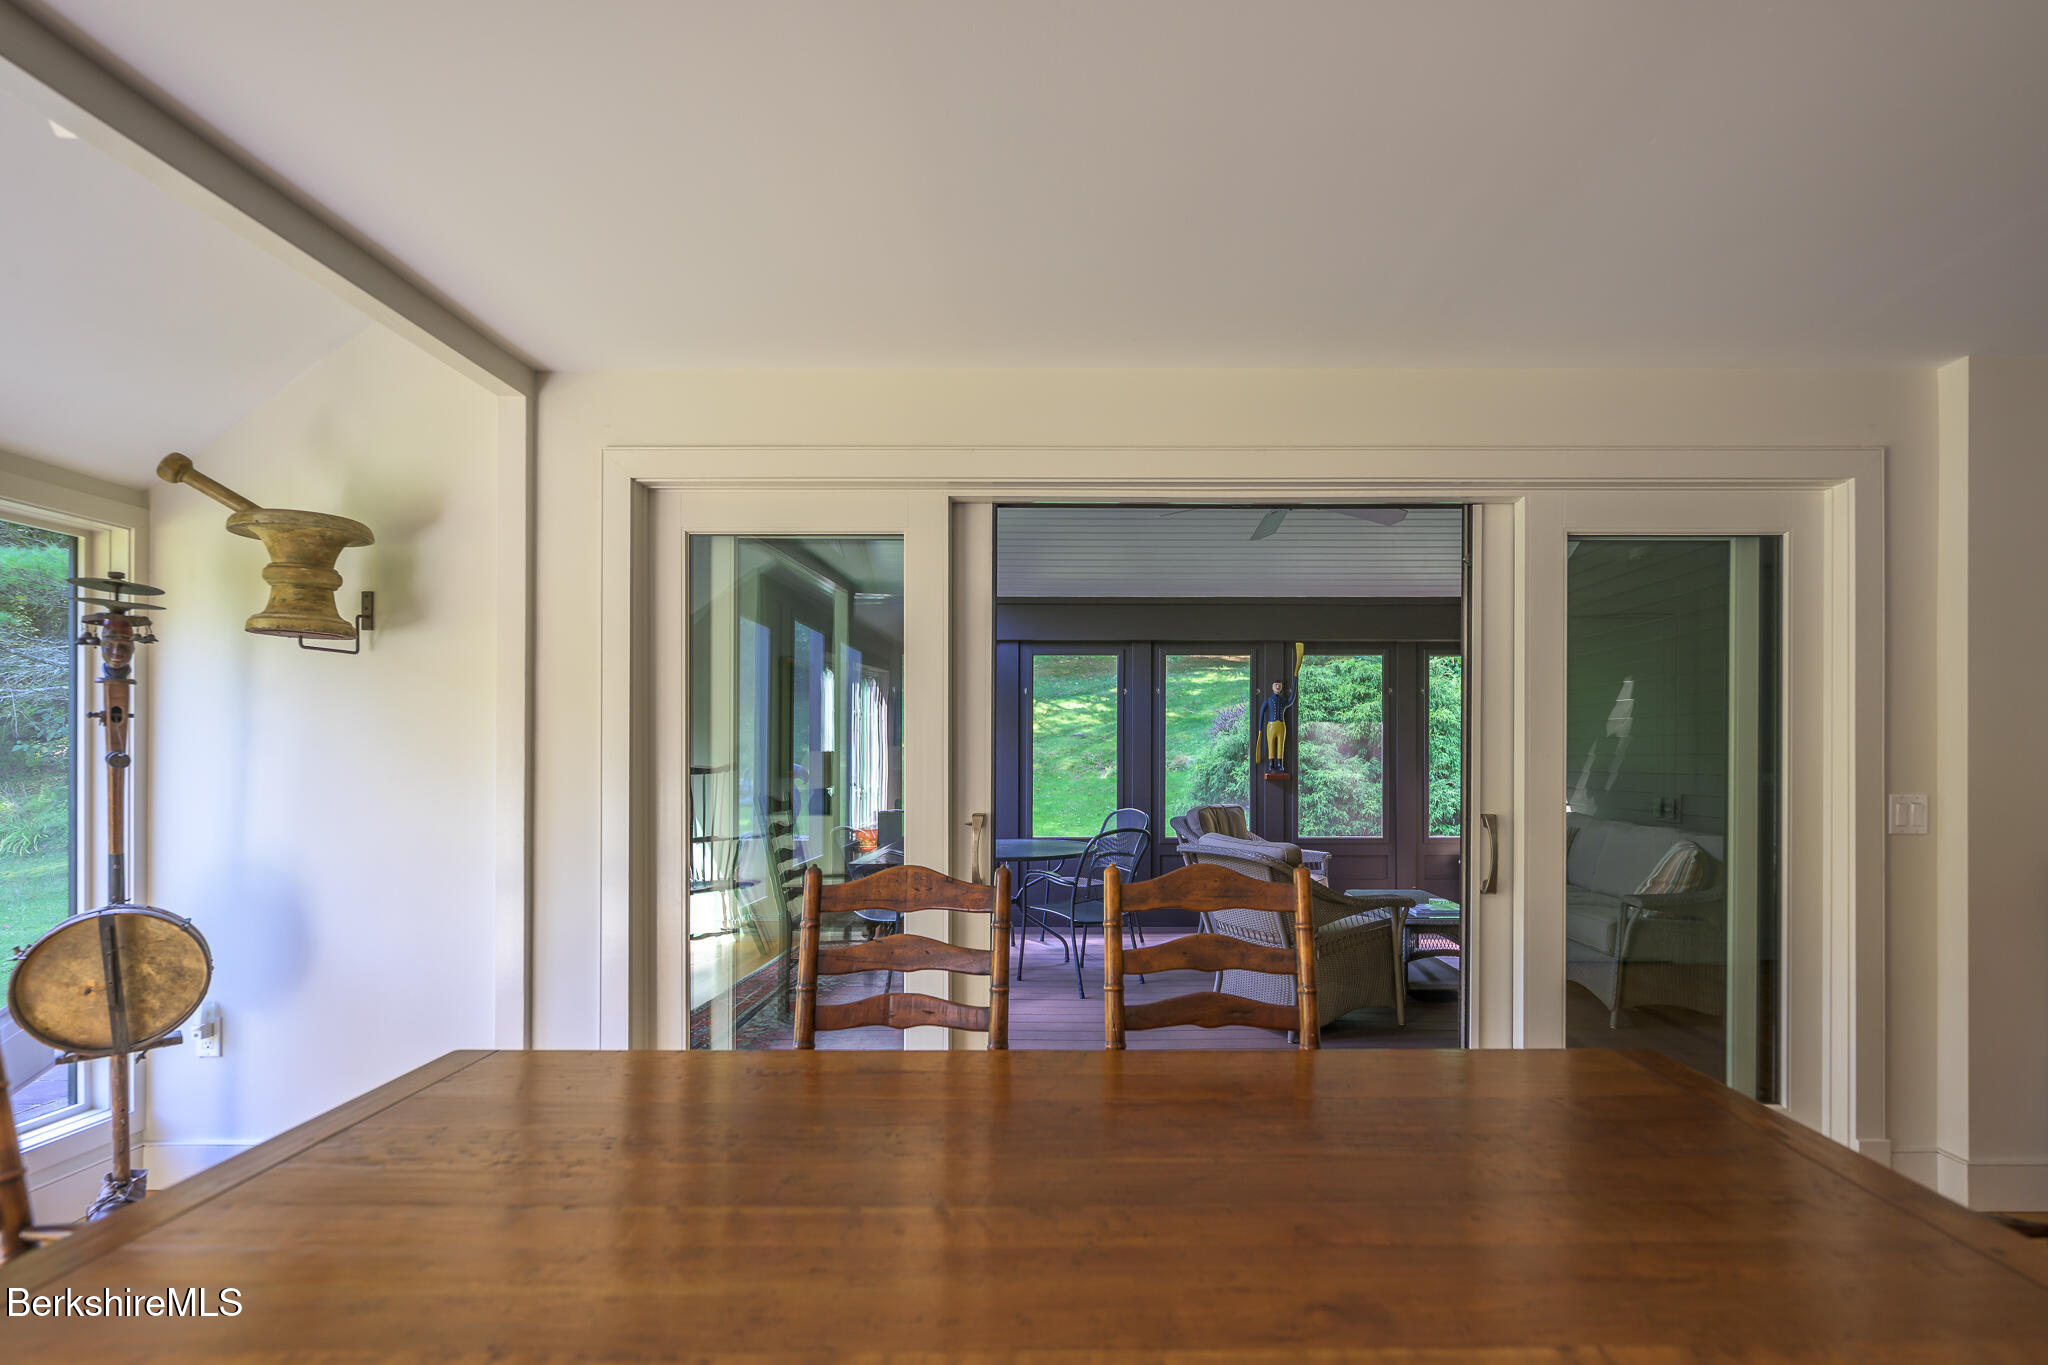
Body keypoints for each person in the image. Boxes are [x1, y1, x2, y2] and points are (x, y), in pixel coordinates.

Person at [1255, 678, 1294, 773]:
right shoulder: (1269, 700)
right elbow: (1261, 713)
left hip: (1281, 726)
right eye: (1275, 684)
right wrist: (1260, 729)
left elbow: (1291, 699)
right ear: (1272, 687)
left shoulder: (1283, 701)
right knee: (1270, 744)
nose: (1277, 686)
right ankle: (1271, 763)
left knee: (1281, 745)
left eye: (1279, 685)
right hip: (1271, 726)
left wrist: (1295, 679)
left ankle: (1280, 764)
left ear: (1281, 687)